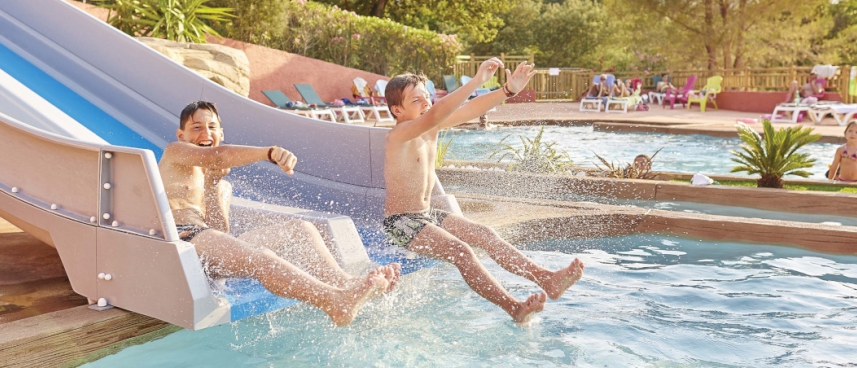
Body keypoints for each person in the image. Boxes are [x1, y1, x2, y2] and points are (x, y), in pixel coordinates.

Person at [158, 101, 400, 327]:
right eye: (196, 127)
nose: (205, 134)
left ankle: (346, 284)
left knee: (302, 229)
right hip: (179, 239)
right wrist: (269, 152)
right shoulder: (175, 153)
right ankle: (334, 301)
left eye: (212, 127)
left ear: (221, 134)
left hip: (205, 245)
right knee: (261, 256)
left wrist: (211, 185)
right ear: (182, 135)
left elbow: (219, 234)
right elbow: (216, 156)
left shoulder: (222, 185)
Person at [381, 59, 585, 323]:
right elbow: (437, 113)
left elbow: (469, 110)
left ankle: (548, 279)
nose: (426, 103)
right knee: (461, 251)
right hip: (401, 223)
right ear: (397, 109)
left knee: (485, 234)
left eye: (427, 97)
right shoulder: (399, 135)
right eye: (416, 101)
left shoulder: (430, 127)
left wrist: (507, 90)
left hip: (426, 215)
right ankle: (514, 307)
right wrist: (475, 81)